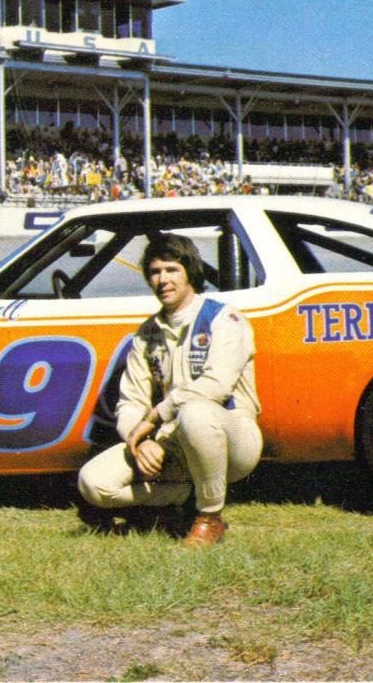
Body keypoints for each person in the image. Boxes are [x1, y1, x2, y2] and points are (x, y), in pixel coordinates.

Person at [77, 233, 262, 547]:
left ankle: (210, 517)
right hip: (171, 439)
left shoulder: (224, 318)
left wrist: (155, 417)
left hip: (233, 438)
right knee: (93, 483)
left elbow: (216, 386)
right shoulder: (147, 333)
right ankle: (179, 501)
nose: (162, 280)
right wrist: (140, 440)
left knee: (195, 413)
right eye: (155, 272)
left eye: (172, 270)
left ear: (190, 272)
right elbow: (130, 402)